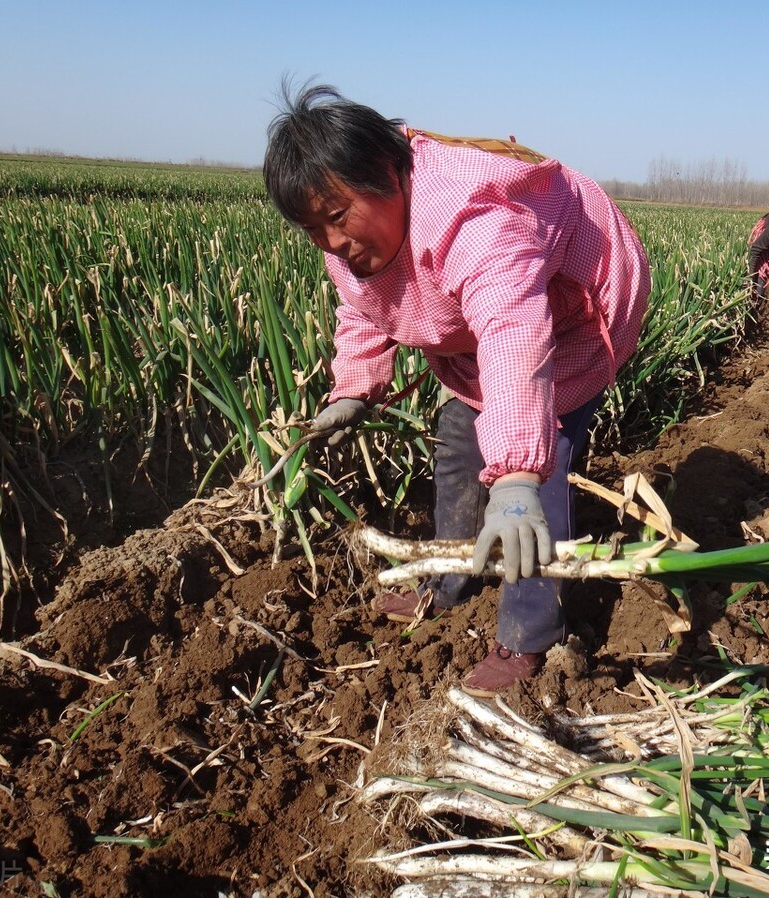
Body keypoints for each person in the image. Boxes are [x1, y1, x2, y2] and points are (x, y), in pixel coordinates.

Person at [262, 84, 651, 696]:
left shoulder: (473, 213)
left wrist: (517, 475)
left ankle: (530, 637)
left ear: (391, 175)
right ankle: (450, 577)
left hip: (579, 309)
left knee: (537, 460)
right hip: (488, 324)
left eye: (337, 219)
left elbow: (512, 333)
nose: (331, 243)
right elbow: (365, 304)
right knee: (458, 432)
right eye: (313, 229)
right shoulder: (353, 238)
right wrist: (355, 386)